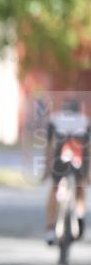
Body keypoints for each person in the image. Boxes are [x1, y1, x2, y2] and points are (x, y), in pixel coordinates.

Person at [44, 98, 90, 244]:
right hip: (79, 159)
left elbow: (49, 148)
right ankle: (80, 215)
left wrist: (45, 170)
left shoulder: (55, 120)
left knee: (54, 189)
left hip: (60, 159)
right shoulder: (84, 121)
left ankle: (50, 228)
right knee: (80, 186)